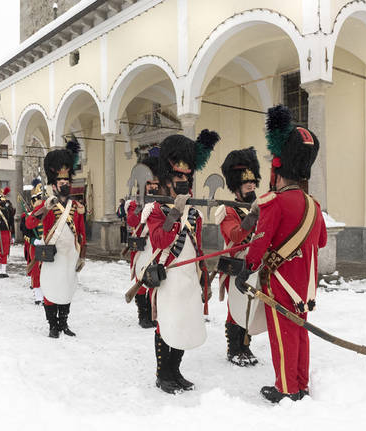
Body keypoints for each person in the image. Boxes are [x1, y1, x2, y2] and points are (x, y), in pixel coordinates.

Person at [234, 105, 327, 403]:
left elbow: (259, 244)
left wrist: (247, 268)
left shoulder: (273, 203)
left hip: (281, 282)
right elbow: (321, 241)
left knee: (282, 333)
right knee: (299, 330)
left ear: (277, 170)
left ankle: (287, 388)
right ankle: (300, 383)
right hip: (305, 284)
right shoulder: (314, 205)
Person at [144, 130, 219, 394]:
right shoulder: (156, 210)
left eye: (186, 177)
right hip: (168, 277)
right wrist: (175, 211)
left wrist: (203, 277)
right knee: (168, 325)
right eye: (177, 177)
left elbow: (198, 248)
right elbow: (160, 240)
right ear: (166, 179)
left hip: (188, 278)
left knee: (184, 324)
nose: (182, 182)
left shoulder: (195, 214)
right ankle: (163, 374)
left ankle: (175, 371)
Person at [215, 147, 263, 366]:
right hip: (237, 263)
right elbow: (234, 236)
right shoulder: (228, 210)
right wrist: (252, 216)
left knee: (250, 307)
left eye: (253, 181)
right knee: (236, 309)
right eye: (246, 182)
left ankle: (246, 347)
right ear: (236, 185)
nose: (251, 185)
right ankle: (234, 349)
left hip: (256, 264)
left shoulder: (260, 207)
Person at [34, 138, 86, 338]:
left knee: (67, 287)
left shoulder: (76, 206)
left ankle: (63, 323)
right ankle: (52, 326)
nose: (65, 184)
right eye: (61, 181)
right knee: (50, 288)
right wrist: (44, 209)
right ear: (54, 184)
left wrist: (82, 254)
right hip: (51, 253)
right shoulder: (46, 204)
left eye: (67, 181)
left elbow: (80, 233)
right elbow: (30, 223)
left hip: (70, 254)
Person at [126, 153, 161, 328]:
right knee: (141, 281)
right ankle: (143, 314)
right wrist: (141, 207)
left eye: (156, 184)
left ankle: (154, 314)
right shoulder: (134, 203)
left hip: (157, 247)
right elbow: (132, 221)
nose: (153, 187)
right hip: (142, 247)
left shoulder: (161, 204)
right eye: (150, 184)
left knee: (155, 280)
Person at [23, 178, 45, 305]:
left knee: (46, 271)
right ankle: (38, 296)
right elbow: (26, 234)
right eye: (36, 200)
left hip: (46, 246)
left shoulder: (46, 215)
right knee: (36, 271)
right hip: (35, 247)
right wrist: (33, 240)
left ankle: (47, 294)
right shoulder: (29, 216)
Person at [0, 187, 14, 278]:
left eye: (4, 200)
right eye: (1, 200)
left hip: (6, 232)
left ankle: (4, 270)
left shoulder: (8, 210)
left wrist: (12, 235)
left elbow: (11, 223)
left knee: (5, 251)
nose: (3, 202)